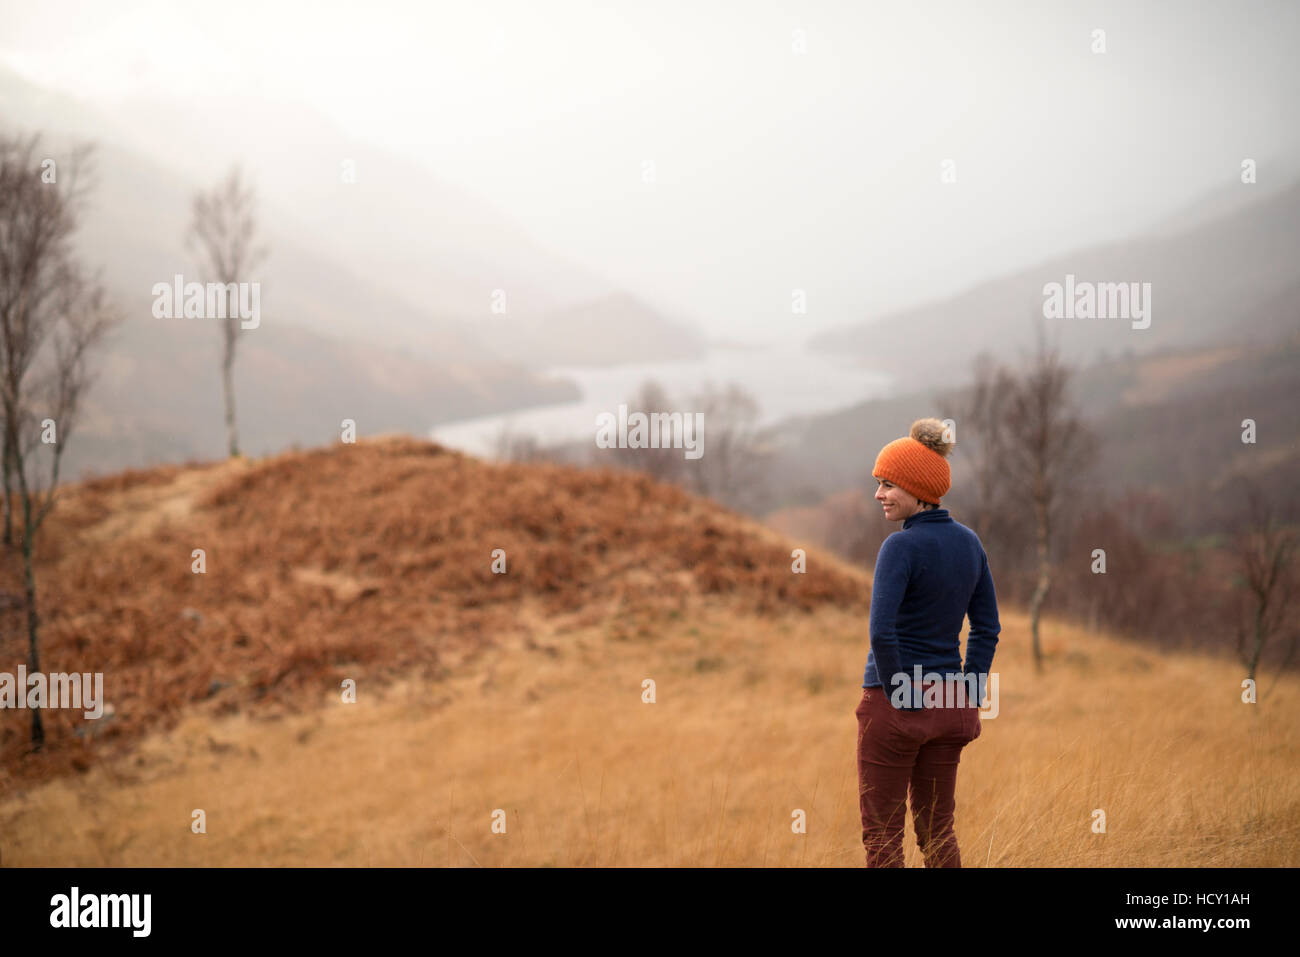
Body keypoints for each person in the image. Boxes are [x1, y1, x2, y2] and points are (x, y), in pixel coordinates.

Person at [855, 417, 1000, 867]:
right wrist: (970, 692)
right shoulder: (970, 543)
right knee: (938, 832)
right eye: (878, 483)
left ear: (918, 489)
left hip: (897, 704)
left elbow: (881, 632)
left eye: (888, 484)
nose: (879, 494)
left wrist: (899, 693)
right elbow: (987, 627)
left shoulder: (899, 548)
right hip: (949, 703)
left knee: (882, 837)